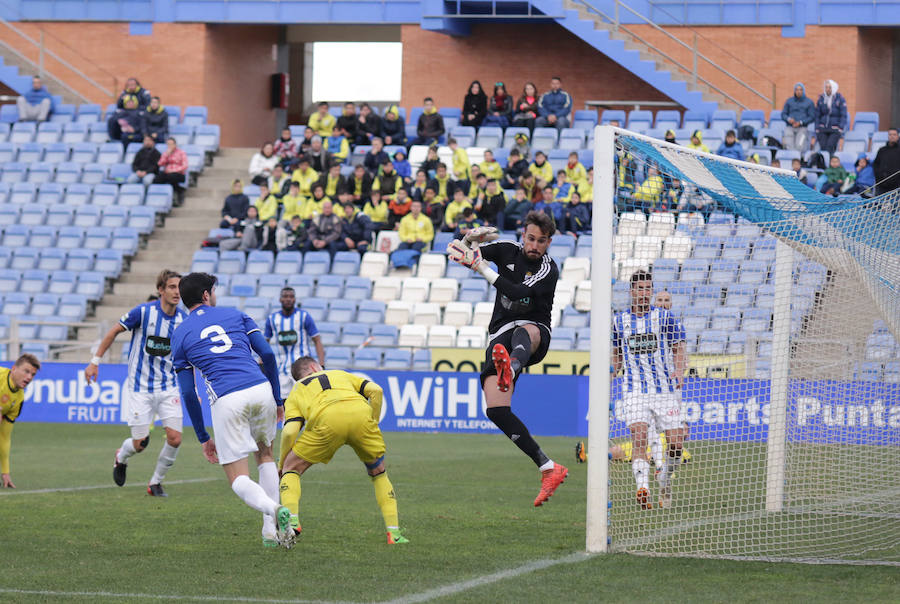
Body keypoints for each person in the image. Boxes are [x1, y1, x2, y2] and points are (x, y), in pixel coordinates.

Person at [445, 213, 568, 506]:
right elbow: (456, 254)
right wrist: (468, 241)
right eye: (530, 238)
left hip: (533, 333)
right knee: (496, 410)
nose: (535, 245)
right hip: (499, 335)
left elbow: (517, 292)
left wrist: (481, 267)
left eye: (541, 241)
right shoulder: (505, 250)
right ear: (522, 234)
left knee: (523, 332)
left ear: (549, 243)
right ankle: (548, 467)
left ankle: (510, 368)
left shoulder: (548, 269)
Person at [171, 273, 292, 548]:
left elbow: (189, 392)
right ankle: (270, 531)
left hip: (227, 398)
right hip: (260, 388)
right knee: (265, 455)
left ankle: (272, 511)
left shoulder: (179, 334)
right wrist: (277, 397)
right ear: (205, 295)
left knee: (238, 477)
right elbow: (268, 355)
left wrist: (203, 437)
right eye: (211, 290)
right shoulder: (236, 314)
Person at [278, 357, 409, 546]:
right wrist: (373, 421)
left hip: (326, 420)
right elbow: (376, 390)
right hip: (361, 417)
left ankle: (293, 521)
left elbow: (290, 431)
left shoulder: (296, 391)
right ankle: (394, 534)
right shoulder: (340, 373)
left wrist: (282, 464)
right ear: (315, 366)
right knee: (378, 472)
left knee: (292, 469)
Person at [85, 270, 186, 497]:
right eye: (171, 287)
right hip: (140, 388)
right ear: (161, 290)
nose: (177, 291)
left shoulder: (183, 320)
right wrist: (94, 362)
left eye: (179, 287)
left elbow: (190, 354)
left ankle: (155, 483)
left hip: (168, 386)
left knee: (175, 438)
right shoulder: (143, 312)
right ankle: (121, 457)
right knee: (140, 444)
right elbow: (113, 332)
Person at [612, 270, 687, 509]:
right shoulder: (618, 321)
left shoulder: (664, 318)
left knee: (676, 444)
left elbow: (678, 346)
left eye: (648, 289)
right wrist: (613, 370)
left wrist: (679, 371)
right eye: (640, 289)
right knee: (639, 438)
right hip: (634, 390)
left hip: (664, 390)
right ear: (631, 291)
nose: (644, 293)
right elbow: (616, 352)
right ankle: (642, 487)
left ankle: (664, 478)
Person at [264, 286, 326, 398]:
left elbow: (317, 340)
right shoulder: (272, 319)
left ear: (295, 299)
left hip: (304, 368)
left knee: (307, 398)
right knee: (284, 402)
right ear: (280, 299)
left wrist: (321, 363)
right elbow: (264, 343)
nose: (288, 299)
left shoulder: (303, 316)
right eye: (285, 296)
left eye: (291, 297)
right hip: (282, 368)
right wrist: (261, 363)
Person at [0, 354, 41, 488]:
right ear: (13, 369)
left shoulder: (18, 400)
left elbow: (4, 437)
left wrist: (5, 472)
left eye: (33, 374)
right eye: (26, 371)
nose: (29, 377)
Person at [814, 79, 847, 155]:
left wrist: (840, 128)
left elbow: (843, 115)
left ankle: (830, 164)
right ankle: (823, 165)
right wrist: (817, 128)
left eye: (829, 87)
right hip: (822, 128)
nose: (828, 89)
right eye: (826, 87)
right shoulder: (821, 99)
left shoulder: (840, 99)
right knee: (823, 147)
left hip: (835, 129)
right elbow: (817, 115)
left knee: (830, 147)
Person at [781, 83, 816, 152]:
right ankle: (791, 160)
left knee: (800, 146)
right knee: (789, 146)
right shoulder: (789, 101)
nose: (799, 91)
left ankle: (798, 161)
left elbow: (812, 117)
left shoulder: (809, 102)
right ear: (794, 91)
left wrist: (801, 122)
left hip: (802, 128)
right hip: (790, 127)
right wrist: (789, 119)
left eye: (800, 90)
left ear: (803, 91)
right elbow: (783, 114)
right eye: (797, 90)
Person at [873, 127, 900, 195]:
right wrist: (879, 178)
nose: (892, 136)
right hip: (881, 185)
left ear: (898, 136)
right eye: (890, 134)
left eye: (894, 134)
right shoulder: (882, 150)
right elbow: (876, 165)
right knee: (880, 205)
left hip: (896, 186)